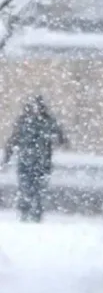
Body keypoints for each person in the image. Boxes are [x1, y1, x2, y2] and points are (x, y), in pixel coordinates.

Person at [3, 94, 68, 222]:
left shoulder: (45, 121)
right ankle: (26, 213)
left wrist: (8, 155)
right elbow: (14, 139)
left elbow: (60, 138)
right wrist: (7, 156)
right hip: (29, 162)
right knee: (27, 188)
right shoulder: (29, 121)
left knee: (36, 190)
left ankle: (34, 213)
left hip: (39, 163)